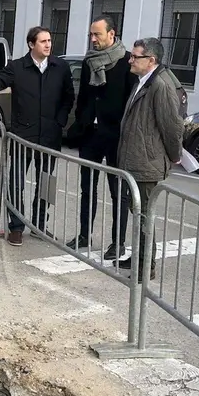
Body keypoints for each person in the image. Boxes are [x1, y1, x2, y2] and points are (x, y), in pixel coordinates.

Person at [0, 26, 75, 247]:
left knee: (46, 184)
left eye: (49, 41)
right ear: (31, 44)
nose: (48, 45)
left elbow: (68, 97)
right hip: (22, 137)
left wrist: (60, 122)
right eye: (43, 41)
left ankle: (38, 224)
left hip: (49, 137)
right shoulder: (17, 67)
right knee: (16, 183)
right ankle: (16, 227)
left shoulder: (60, 67)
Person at [66, 16, 138, 259]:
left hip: (116, 136)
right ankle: (85, 234)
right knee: (88, 188)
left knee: (118, 191)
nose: (93, 39)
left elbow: (132, 101)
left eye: (97, 34)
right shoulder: (89, 62)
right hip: (91, 135)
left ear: (112, 34)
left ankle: (118, 242)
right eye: (91, 35)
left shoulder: (127, 62)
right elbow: (84, 95)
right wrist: (82, 119)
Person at [117, 38, 184, 280]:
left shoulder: (160, 86)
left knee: (145, 215)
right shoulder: (143, 81)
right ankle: (140, 259)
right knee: (139, 213)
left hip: (147, 163)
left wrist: (174, 156)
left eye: (136, 57)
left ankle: (146, 267)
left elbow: (172, 127)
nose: (131, 60)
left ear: (151, 60)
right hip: (135, 160)